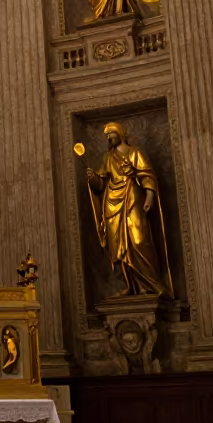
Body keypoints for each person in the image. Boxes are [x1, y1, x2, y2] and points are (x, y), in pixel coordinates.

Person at [86, 122, 172, 298]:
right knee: (117, 246)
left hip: (132, 197)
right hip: (112, 204)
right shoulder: (108, 158)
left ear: (120, 134)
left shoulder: (135, 153)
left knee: (139, 240)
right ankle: (129, 285)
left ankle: (151, 285)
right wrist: (93, 178)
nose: (109, 137)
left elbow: (146, 175)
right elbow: (101, 184)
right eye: (107, 135)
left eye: (111, 133)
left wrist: (149, 196)